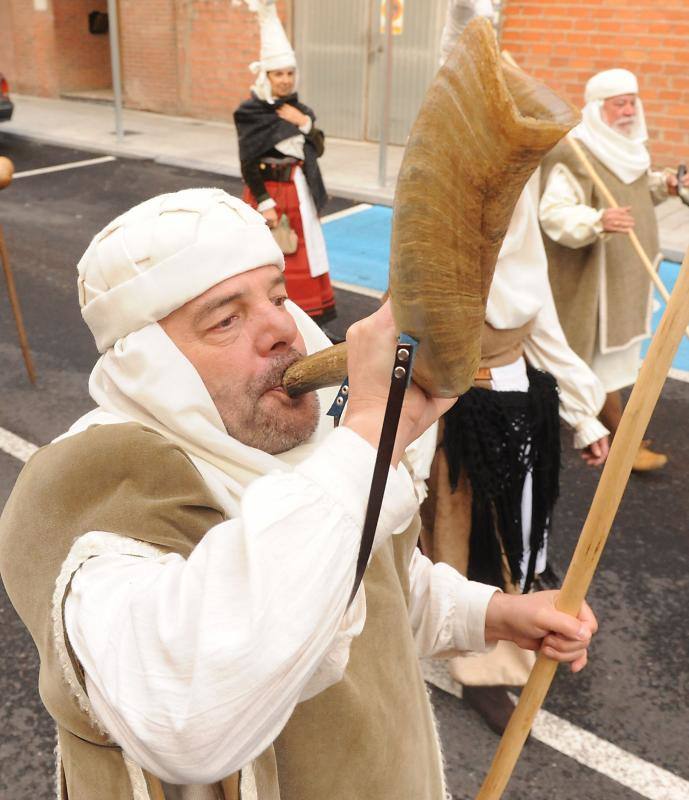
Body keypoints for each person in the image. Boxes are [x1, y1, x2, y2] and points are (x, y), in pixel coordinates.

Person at [0, 189, 596, 800]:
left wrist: (490, 614)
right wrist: (368, 438)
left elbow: (376, 586)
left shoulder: (309, 446)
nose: (283, 329)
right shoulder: (82, 482)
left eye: (278, 297)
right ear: (149, 363)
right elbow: (186, 714)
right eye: (226, 319)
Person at [417, 0, 609, 738]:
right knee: (456, 526)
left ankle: (526, 624)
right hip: (453, 392)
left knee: (524, 521)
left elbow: (536, 312)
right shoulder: (439, 177)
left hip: (519, 389)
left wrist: (582, 408)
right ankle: (482, 665)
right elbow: (409, 317)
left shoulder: (516, 173)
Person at [539, 68, 689, 471]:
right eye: (618, 103)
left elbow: (635, 196)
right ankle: (623, 443)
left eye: (631, 101)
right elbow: (553, 213)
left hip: (627, 279)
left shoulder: (629, 150)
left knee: (616, 362)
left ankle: (617, 430)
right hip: (595, 284)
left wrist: (664, 187)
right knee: (599, 365)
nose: (627, 110)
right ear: (597, 108)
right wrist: (596, 221)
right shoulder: (577, 152)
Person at [234, 0, 336, 328]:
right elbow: (248, 159)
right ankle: (269, 315)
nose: (285, 80)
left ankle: (305, 317)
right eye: (278, 73)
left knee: (301, 253)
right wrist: (264, 202)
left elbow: (316, 148)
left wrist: (303, 123)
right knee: (271, 254)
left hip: (298, 189)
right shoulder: (251, 112)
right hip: (270, 192)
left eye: (290, 73)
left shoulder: (300, 109)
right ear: (266, 75)